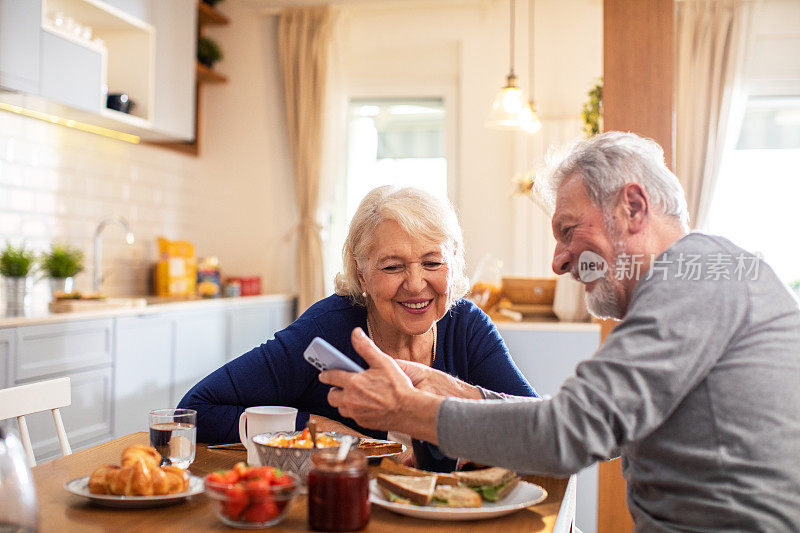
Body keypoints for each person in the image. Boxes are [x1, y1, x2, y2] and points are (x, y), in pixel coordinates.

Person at [321, 132, 800, 531]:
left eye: (568, 230)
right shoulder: (700, 277)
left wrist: (413, 411)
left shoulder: (694, 279)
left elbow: (569, 433)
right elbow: (597, 426)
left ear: (633, 207)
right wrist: (470, 397)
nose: (558, 260)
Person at [178, 185, 537, 472]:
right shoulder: (324, 330)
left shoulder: (468, 327)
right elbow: (197, 408)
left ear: (453, 262)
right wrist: (334, 433)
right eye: (393, 267)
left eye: (432, 262)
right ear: (361, 272)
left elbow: (540, 430)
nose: (415, 284)